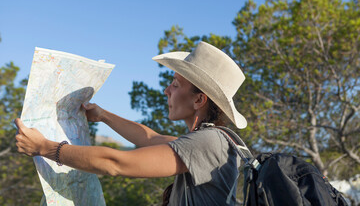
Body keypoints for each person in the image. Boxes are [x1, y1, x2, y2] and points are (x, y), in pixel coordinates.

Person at [14, 41, 247, 205]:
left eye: (175, 85)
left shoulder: (207, 142)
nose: (167, 91)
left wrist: (44, 147)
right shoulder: (212, 140)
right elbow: (150, 139)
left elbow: (116, 163)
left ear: (199, 99)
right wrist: (103, 115)